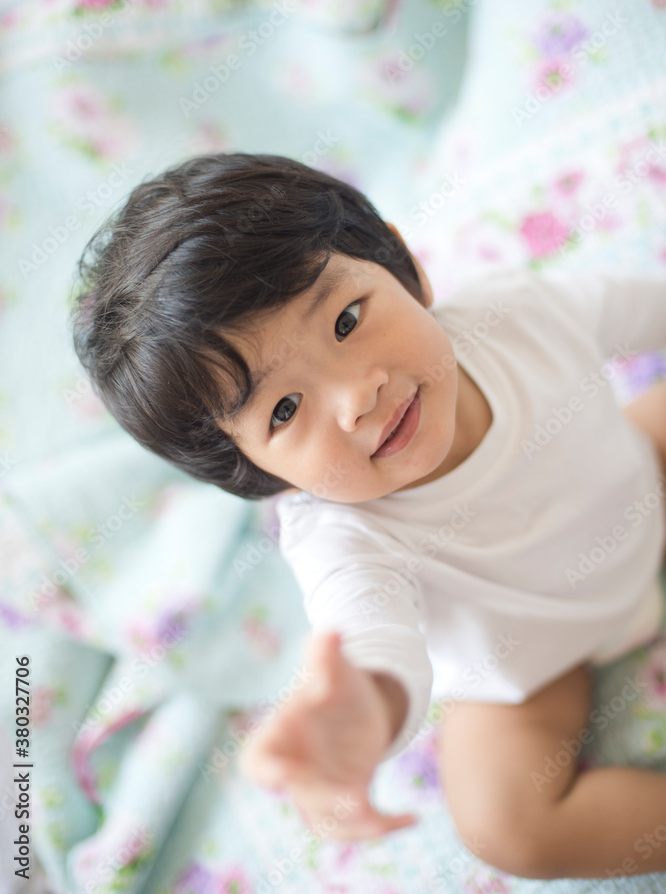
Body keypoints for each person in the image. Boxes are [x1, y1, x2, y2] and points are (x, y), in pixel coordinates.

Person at [70, 151, 666, 880]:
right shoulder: (343, 538)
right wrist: (364, 708)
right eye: (285, 409)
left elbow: (647, 305)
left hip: (644, 479)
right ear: (257, 473)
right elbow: (371, 637)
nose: (358, 397)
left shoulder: (516, 315)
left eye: (347, 319)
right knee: (509, 828)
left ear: (400, 261)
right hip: (533, 667)